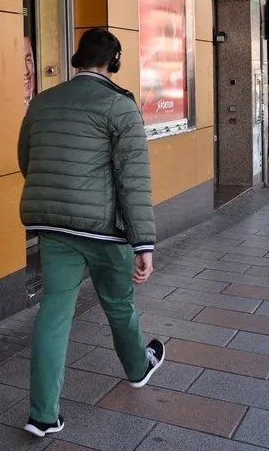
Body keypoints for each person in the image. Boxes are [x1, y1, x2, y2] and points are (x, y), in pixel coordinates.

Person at [17, 28, 165, 439]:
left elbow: (26, 159)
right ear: (113, 63)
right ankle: (138, 368)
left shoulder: (42, 102)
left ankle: (42, 415)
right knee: (118, 303)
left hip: (54, 227)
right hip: (104, 229)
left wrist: (58, 198)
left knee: (54, 312)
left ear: (77, 60)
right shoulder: (121, 106)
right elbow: (133, 180)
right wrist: (144, 244)